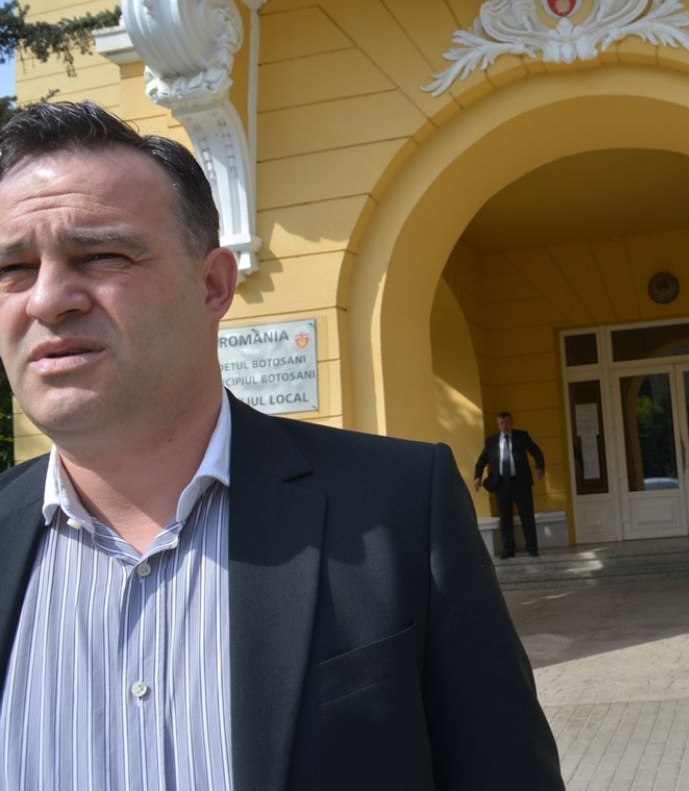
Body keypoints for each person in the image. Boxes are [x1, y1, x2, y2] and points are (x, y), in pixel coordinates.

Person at [0, 101, 564, 791]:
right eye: (13, 267)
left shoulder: (397, 510)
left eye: (102, 255)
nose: (47, 299)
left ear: (213, 285)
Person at [473, 412, 545, 558]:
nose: (505, 426)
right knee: (505, 518)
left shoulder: (521, 436)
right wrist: (477, 477)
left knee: (527, 516)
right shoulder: (491, 441)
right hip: (501, 484)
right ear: (498, 425)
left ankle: (532, 548)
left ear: (512, 423)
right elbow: (482, 460)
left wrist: (539, 467)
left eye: (507, 422)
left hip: (521, 483)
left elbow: (536, 451)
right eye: (502, 423)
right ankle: (508, 549)